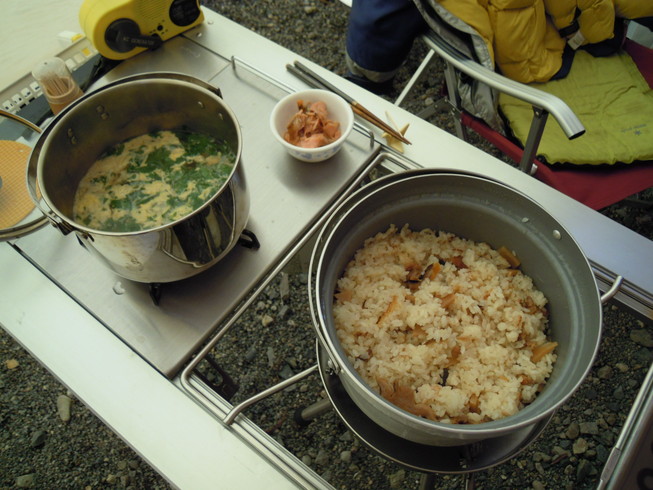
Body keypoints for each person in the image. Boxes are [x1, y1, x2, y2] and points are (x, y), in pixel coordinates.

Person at [344, 0, 426, 94]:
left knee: (359, 74)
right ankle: (377, 89)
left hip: (355, 37)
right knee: (373, 86)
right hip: (380, 60)